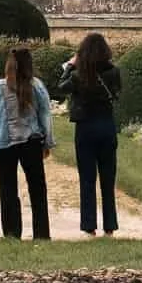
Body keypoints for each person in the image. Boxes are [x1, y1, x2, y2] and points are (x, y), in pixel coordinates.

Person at [0, 44, 54, 240]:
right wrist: (47, 142)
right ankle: (41, 234)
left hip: (3, 144)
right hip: (31, 142)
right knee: (37, 189)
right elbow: (45, 116)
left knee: (8, 189)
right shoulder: (37, 86)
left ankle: (11, 233)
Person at [58, 32, 123, 238]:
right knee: (108, 179)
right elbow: (117, 92)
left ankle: (89, 226)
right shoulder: (114, 72)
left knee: (87, 179)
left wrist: (69, 66)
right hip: (106, 126)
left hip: (85, 127)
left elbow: (61, 87)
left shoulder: (79, 75)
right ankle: (110, 226)